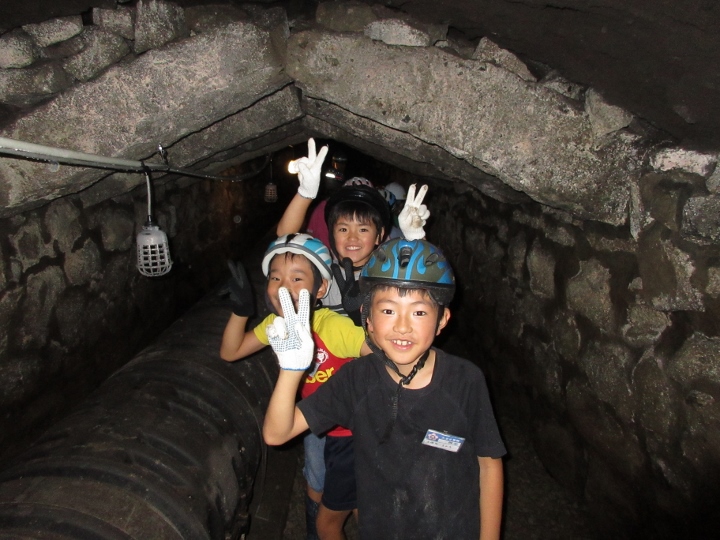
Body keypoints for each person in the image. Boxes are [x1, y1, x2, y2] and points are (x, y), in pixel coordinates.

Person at [262, 238, 506, 540]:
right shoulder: (356, 380)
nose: (402, 326)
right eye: (388, 311)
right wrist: (291, 370)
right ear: (368, 319)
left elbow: (489, 464)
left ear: (442, 319)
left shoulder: (465, 381)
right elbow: (276, 433)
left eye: (419, 313)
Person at [218, 233, 372, 540]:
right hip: (310, 422)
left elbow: (382, 354)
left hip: (350, 432)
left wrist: (363, 320)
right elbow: (230, 351)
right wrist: (240, 312)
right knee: (315, 482)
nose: (283, 287)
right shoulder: (277, 326)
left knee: (354, 500)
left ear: (321, 288)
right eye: (275, 278)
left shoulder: (331, 326)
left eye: (297, 278)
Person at [280, 138, 432, 326]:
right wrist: (304, 194)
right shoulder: (323, 265)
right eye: (343, 229)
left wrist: (417, 238)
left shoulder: (389, 271)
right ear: (331, 233)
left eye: (363, 229)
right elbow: (285, 239)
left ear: (379, 235)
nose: (352, 237)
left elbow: (427, 278)